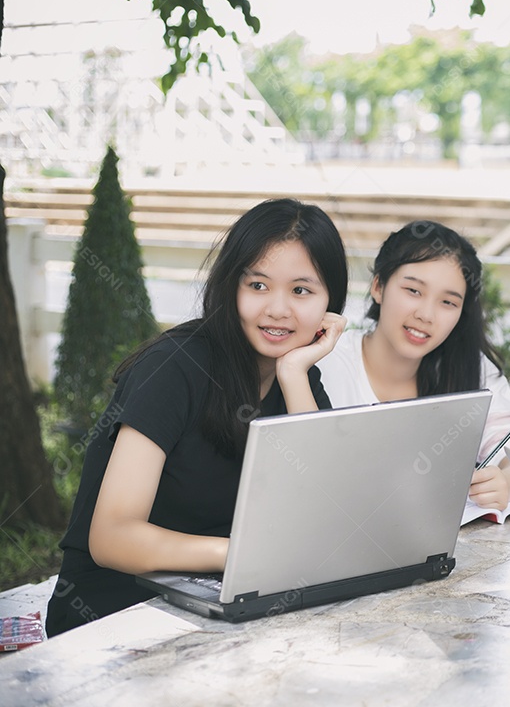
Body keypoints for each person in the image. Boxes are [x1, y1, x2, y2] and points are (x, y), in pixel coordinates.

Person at [45, 199, 349, 637]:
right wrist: (239, 554)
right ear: (230, 286)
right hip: (115, 614)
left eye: (301, 291)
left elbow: (321, 516)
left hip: (228, 602)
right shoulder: (174, 368)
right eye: (258, 285)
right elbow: (112, 537)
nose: (278, 309)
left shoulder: (298, 377)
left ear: (329, 304)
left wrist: (293, 373)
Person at [317, 220, 510, 512]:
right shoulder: (327, 361)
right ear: (378, 287)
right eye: (413, 290)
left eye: (448, 302)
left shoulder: (473, 370)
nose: (426, 315)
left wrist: (505, 482)